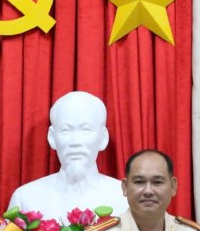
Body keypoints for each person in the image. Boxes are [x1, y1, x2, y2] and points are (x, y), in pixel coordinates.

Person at [8, 91, 128, 222]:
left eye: (86, 130)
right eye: (66, 130)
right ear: (52, 137)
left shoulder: (124, 197)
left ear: (103, 138)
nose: (75, 141)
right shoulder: (26, 199)